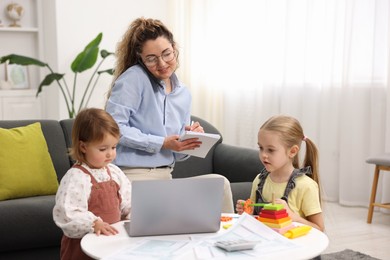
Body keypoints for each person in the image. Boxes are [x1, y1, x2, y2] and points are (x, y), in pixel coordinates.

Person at [105, 17, 234, 213]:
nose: (162, 63)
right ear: (140, 58)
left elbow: (176, 154)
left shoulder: (183, 93)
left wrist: (189, 141)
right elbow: (112, 128)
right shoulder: (134, 78)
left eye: (167, 54)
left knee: (221, 184)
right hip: (132, 176)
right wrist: (162, 142)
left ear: (174, 48)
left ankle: (225, 242)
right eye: (151, 58)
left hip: (166, 176)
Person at [53, 108, 132, 260]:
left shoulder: (114, 172)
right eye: (103, 149)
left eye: (114, 147)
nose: (110, 153)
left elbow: (127, 203)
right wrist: (93, 223)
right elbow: (67, 214)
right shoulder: (76, 177)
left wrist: (134, 216)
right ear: (83, 147)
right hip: (83, 247)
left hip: (110, 241)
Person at [236, 115, 324, 231]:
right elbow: (254, 218)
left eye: (270, 150)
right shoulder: (259, 180)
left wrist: (292, 216)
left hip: (293, 246)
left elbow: (319, 229)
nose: (263, 155)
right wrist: (247, 212)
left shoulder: (306, 186)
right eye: (261, 148)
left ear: (292, 151)